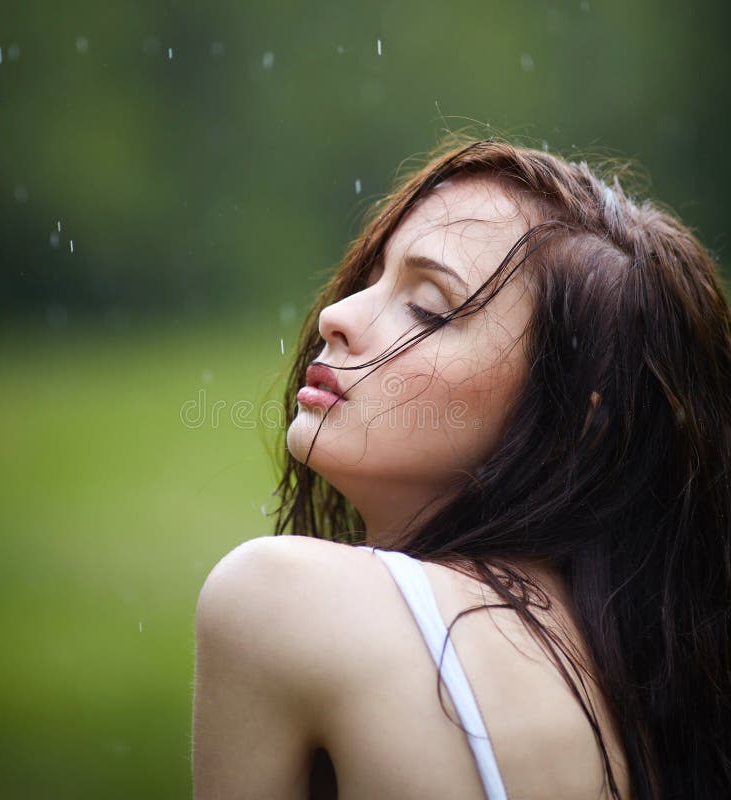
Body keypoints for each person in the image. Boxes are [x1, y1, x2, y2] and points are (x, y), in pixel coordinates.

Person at [191, 135, 731, 799]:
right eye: (372, 279)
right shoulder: (652, 698)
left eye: (428, 309)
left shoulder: (282, 600)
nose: (335, 316)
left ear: (577, 418)